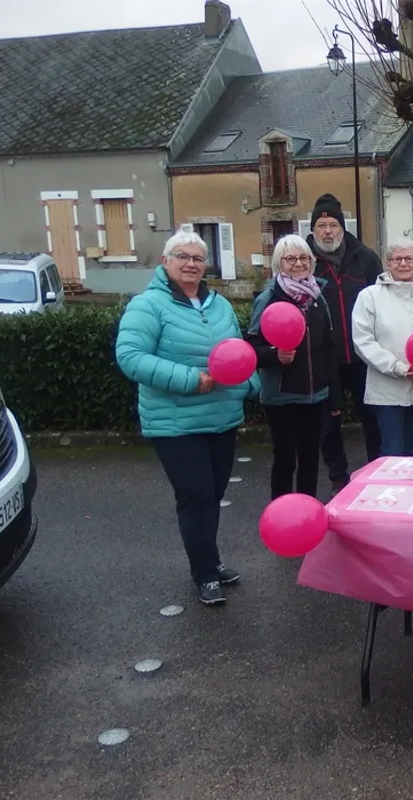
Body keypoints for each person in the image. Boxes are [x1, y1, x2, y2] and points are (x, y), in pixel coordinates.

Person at [115, 230, 259, 607]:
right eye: (182, 256)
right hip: (175, 422)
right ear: (166, 262)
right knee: (195, 497)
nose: (191, 263)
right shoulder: (148, 305)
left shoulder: (219, 304)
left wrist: (249, 383)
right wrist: (191, 380)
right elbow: (131, 356)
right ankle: (205, 574)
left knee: (212, 495)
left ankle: (210, 561)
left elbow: (238, 349)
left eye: (198, 258)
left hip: (222, 417)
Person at [246, 235, 341, 500]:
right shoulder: (268, 299)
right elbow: (250, 349)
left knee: (311, 459)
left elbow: (328, 348)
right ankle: (282, 512)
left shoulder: (319, 297)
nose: (298, 264)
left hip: (315, 395)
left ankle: (306, 511)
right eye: (290, 259)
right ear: (279, 263)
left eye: (303, 258)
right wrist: (275, 355)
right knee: (285, 460)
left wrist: (333, 394)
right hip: (281, 397)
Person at [308, 193, 384, 489]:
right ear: (313, 230)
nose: (327, 231)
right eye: (321, 225)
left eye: (333, 225)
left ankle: (376, 472)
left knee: (373, 419)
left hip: (364, 356)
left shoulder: (365, 257)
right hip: (325, 359)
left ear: (343, 228)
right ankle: (339, 478)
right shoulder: (306, 260)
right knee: (329, 425)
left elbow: (382, 298)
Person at [352, 240, 413, 457]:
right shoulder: (370, 297)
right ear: (388, 264)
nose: (403, 263)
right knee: (392, 452)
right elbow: (363, 340)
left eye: (409, 258)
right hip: (387, 390)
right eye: (397, 259)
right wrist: (398, 368)